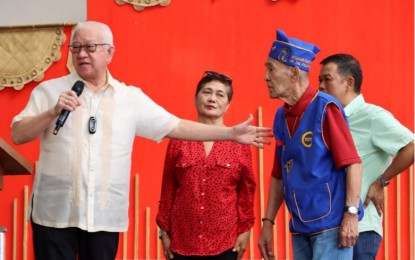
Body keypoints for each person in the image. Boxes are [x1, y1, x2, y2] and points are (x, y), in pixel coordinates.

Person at [10, 21, 272, 260]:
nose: (81, 54)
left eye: (90, 47)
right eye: (76, 47)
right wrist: (52, 111)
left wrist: (230, 134)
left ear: (109, 53)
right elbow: (18, 134)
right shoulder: (49, 91)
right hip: (54, 214)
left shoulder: (130, 98)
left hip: (104, 216)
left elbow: (176, 126)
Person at [257, 30, 364, 260]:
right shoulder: (280, 116)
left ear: (294, 73)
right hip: (300, 227)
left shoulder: (327, 108)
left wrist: (351, 215)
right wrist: (268, 221)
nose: (266, 77)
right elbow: (278, 174)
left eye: (271, 69)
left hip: (332, 227)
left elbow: (353, 164)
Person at [318, 53, 415, 260]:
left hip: (360, 230)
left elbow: (412, 147)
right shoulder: (329, 120)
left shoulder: (372, 116)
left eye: (327, 79)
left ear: (349, 83)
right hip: (329, 229)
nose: (320, 87)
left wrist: (381, 181)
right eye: (319, 80)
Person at [156, 71, 255, 260]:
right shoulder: (179, 140)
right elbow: (168, 189)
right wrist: (163, 232)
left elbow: (246, 191)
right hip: (182, 242)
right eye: (206, 92)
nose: (212, 99)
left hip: (225, 242)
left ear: (228, 104)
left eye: (220, 95)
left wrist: (245, 229)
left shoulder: (239, 143)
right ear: (195, 98)